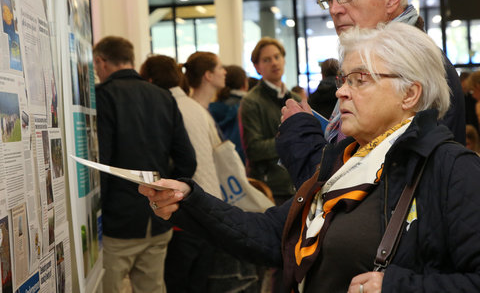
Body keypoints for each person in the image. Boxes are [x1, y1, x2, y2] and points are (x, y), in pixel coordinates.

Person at [139, 23, 480, 293]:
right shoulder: (347, 160)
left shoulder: (451, 170)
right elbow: (275, 235)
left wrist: (396, 287)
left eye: (360, 80)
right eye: (344, 79)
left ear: (410, 93)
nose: (341, 91)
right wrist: (189, 200)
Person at [276, 0, 465, 189]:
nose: (334, 9)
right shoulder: (383, 61)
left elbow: (366, 191)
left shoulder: (417, 68)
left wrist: (300, 134)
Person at [140, 53, 259, 293]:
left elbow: (185, 161)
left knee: (178, 282)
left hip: (186, 210)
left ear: (150, 81)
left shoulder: (172, 108)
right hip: (208, 206)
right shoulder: (195, 109)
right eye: (219, 67)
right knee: (200, 281)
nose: (224, 71)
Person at [93, 36, 196, 293]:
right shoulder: (163, 97)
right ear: (130, 59)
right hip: (158, 218)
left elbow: (102, 164)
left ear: (100, 62)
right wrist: (164, 193)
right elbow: (187, 160)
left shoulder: (103, 96)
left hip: (118, 222)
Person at [240, 37, 301, 205]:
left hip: (299, 182)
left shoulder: (295, 98)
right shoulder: (251, 101)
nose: (274, 63)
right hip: (271, 188)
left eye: (277, 57)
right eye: (267, 60)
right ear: (257, 67)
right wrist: (290, 141)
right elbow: (254, 149)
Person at [209, 64, 249, 163]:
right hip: (242, 163)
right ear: (244, 83)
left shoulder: (210, 108)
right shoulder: (247, 107)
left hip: (217, 162)